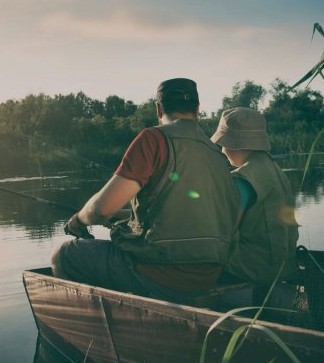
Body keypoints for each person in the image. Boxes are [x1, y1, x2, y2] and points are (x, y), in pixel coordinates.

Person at [50, 78, 240, 301]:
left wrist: (79, 220)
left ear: (159, 109)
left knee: (64, 255)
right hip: (207, 276)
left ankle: (88, 330)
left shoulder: (153, 139)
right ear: (198, 110)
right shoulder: (217, 153)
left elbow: (101, 210)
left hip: (161, 275)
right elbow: (186, 213)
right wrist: (128, 218)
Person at [210, 107, 298, 285]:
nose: (222, 150)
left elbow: (226, 230)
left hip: (253, 270)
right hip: (284, 267)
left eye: (223, 145)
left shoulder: (243, 178)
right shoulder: (275, 170)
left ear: (233, 145)